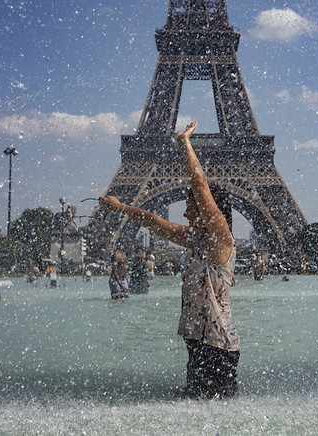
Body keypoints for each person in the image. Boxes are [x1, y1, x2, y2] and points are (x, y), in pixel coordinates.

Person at [100, 121, 239, 399]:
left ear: (207, 210)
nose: (186, 214)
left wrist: (184, 142)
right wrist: (122, 207)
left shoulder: (220, 240)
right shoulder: (199, 240)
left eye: (190, 208)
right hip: (199, 341)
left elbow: (199, 185)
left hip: (217, 345)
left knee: (215, 410)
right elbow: (156, 223)